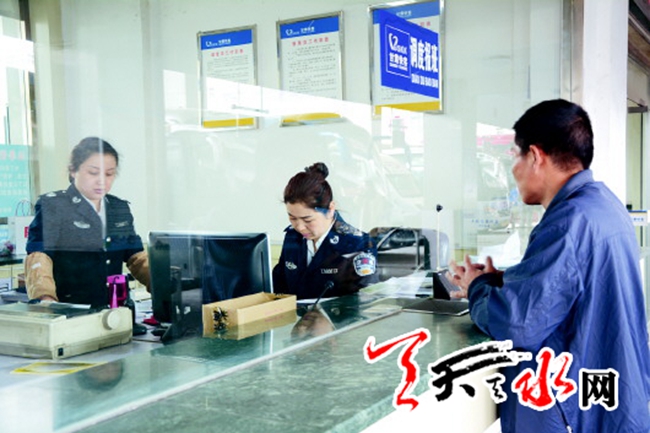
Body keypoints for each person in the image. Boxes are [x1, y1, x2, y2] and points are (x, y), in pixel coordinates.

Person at [448, 99, 650, 433]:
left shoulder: (568, 222)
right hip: (613, 403)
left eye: (515, 156)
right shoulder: (602, 205)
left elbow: (518, 324)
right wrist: (504, 279)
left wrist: (477, 287)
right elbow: (573, 283)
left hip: (574, 413)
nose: (513, 170)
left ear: (536, 156)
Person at [25, 137, 150, 307]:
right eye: (93, 173)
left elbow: (136, 258)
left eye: (109, 174)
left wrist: (165, 286)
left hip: (114, 309)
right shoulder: (55, 206)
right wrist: (45, 299)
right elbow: (39, 257)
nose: (102, 180)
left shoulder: (118, 208)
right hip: (71, 309)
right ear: (73, 170)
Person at [272, 162, 378, 300]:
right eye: (292, 218)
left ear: (330, 209)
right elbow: (279, 286)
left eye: (307, 220)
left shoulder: (357, 244)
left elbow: (364, 300)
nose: (299, 227)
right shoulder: (292, 237)